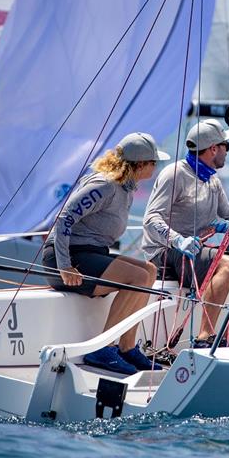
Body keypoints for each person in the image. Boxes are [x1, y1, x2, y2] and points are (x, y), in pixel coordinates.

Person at [142, 119, 229, 348]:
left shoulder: (212, 179)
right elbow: (151, 218)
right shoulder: (174, 174)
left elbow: (226, 215)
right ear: (214, 148)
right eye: (227, 146)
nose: (227, 152)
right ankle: (204, 338)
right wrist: (179, 240)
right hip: (167, 252)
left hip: (200, 250)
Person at [42, 132, 169, 375]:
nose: (156, 166)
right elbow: (63, 220)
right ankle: (102, 348)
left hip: (89, 253)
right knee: (138, 278)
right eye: (154, 162)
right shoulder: (105, 185)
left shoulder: (126, 187)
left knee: (149, 270)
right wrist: (64, 266)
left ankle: (127, 348)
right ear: (139, 164)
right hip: (66, 259)